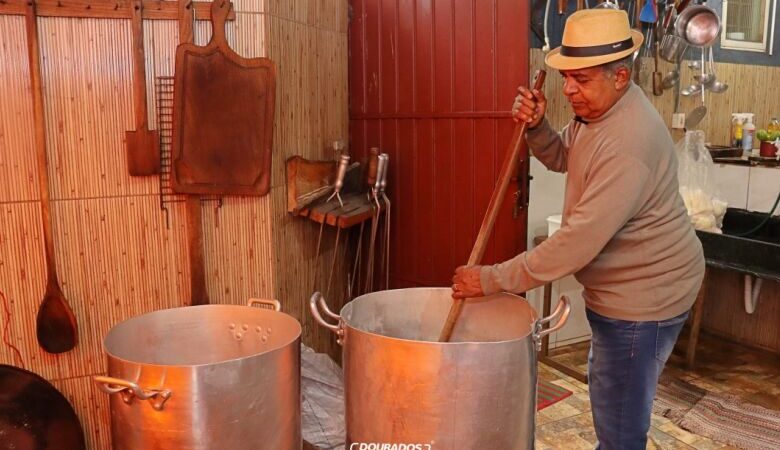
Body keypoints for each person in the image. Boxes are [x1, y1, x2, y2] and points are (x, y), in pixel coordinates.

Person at [450, 9, 705, 450]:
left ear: (620, 76)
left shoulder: (629, 140)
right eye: (567, 77)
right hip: (626, 290)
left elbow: (574, 247)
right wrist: (537, 128)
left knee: (620, 424)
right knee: (612, 390)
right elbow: (566, 154)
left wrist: (490, 279)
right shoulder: (600, 111)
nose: (569, 90)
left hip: (646, 298)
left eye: (581, 80)